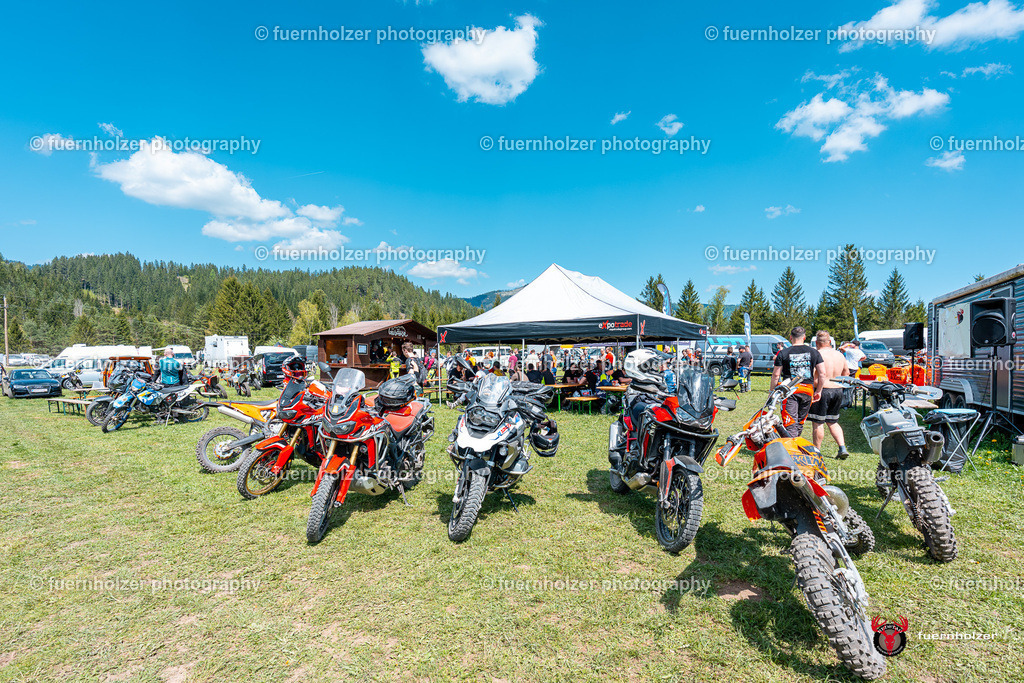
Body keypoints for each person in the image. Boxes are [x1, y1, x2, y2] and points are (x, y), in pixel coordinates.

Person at [771, 326, 826, 438]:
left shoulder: (783, 353)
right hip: (807, 390)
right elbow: (822, 374)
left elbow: (776, 375)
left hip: (789, 390)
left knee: (790, 422)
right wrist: (819, 390)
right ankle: (794, 444)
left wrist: (772, 392)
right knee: (800, 421)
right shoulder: (814, 352)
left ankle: (792, 448)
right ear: (804, 337)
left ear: (791, 337)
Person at [808, 330, 852, 459]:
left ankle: (816, 451)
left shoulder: (817, 354)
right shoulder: (839, 355)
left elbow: (812, 374)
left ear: (817, 342)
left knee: (818, 422)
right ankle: (842, 448)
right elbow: (846, 373)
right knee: (833, 421)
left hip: (822, 390)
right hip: (837, 390)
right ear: (830, 342)